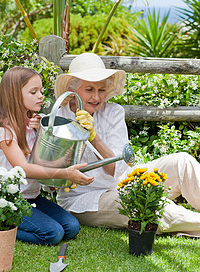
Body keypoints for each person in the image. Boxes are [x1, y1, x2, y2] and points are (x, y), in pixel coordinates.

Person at [55, 53, 200, 237]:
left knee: (182, 162)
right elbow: (52, 179)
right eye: (89, 89)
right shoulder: (57, 120)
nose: (97, 97)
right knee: (141, 204)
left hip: (122, 182)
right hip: (85, 199)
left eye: (101, 89)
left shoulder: (114, 112)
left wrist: (94, 136)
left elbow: (115, 169)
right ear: (72, 90)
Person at [0, 66, 94, 245]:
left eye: (41, 91)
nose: (40, 96)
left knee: (71, 227)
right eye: (33, 92)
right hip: (11, 200)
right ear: (13, 95)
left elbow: (42, 159)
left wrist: (40, 134)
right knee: (52, 234)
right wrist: (65, 174)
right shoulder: (5, 132)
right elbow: (25, 169)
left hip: (33, 196)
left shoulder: (35, 124)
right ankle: (4, 227)